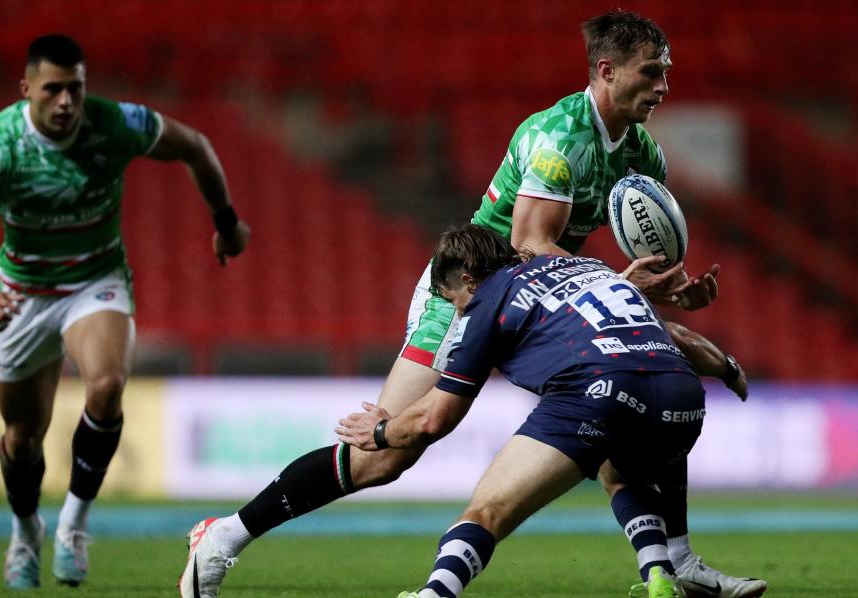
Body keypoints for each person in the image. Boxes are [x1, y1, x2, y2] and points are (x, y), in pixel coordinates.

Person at [179, 10, 765, 598]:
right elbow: (528, 242)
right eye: (652, 72)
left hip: (539, 297)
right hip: (470, 290)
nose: (664, 87)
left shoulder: (641, 153)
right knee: (386, 452)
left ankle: (679, 561)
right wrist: (616, 282)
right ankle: (225, 535)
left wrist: (670, 288)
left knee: (641, 367)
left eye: (667, 72)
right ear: (608, 72)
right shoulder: (558, 137)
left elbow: (626, 250)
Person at [0, 34, 249, 589]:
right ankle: (24, 529)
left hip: (95, 281)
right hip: (24, 293)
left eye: (75, 89)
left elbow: (195, 145)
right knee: (21, 435)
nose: (65, 101)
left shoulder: (115, 123)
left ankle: (73, 528)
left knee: (105, 386)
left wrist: (225, 221)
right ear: (26, 88)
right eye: (52, 89)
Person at [336, 223, 713, 597]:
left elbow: (434, 418)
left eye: (455, 302)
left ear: (469, 281)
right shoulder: (587, 266)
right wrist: (726, 368)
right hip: (683, 395)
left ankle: (434, 594)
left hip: (598, 388)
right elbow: (666, 331)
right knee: (622, 469)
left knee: (486, 512)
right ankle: (660, 574)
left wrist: (381, 431)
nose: (459, 312)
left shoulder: (488, 300)